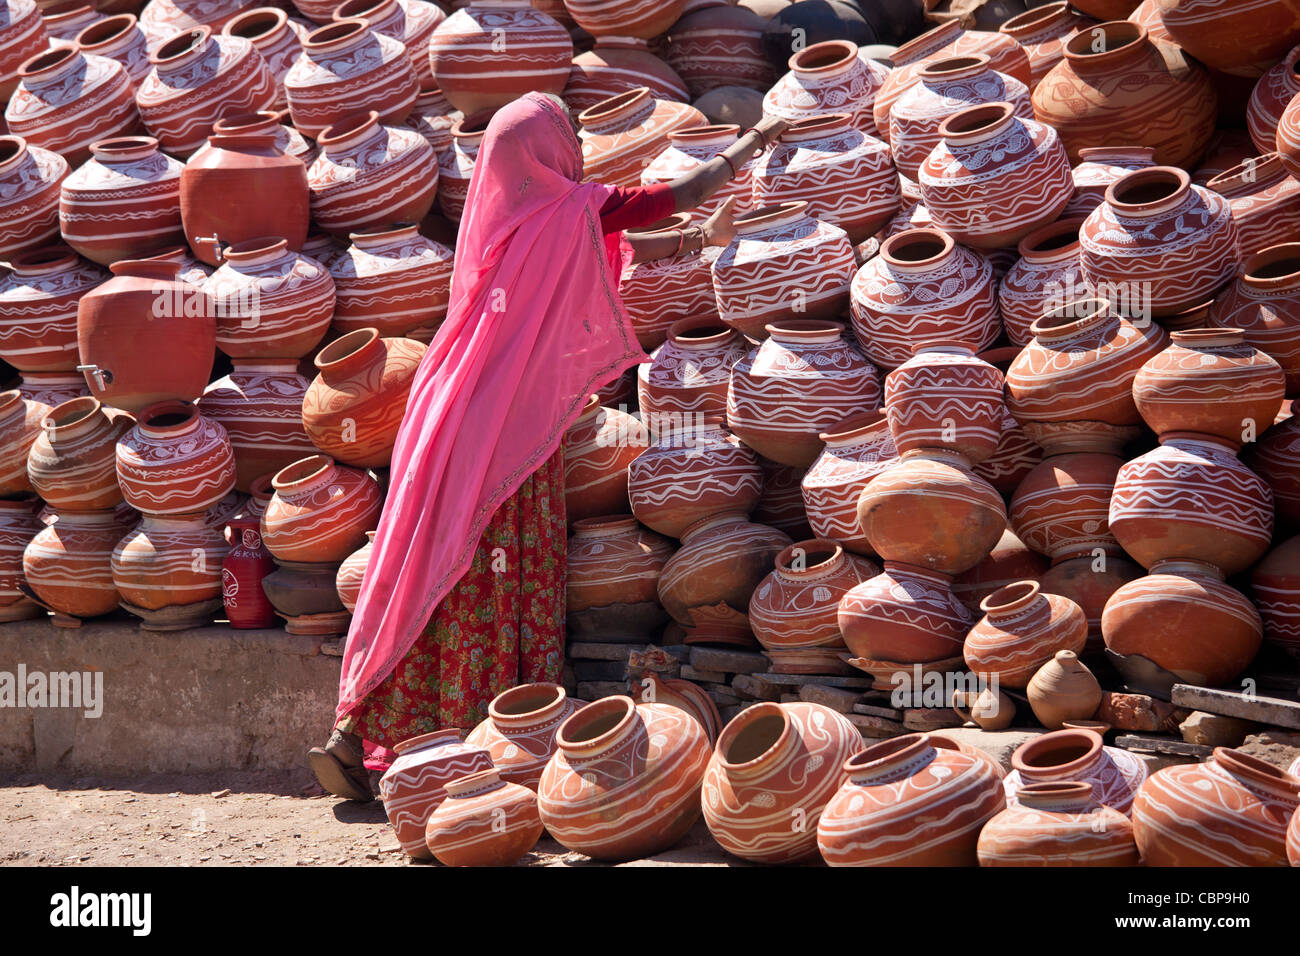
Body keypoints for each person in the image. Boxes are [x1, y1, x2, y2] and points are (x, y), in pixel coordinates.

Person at [308, 91, 789, 800]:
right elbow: (665, 196)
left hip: (442, 415)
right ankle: (484, 739)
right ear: (546, 152)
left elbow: (607, 236)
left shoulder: (511, 223)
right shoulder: (563, 214)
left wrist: (699, 239)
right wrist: (752, 144)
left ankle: (374, 733)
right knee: (484, 574)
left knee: (429, 568)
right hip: (501, 433)